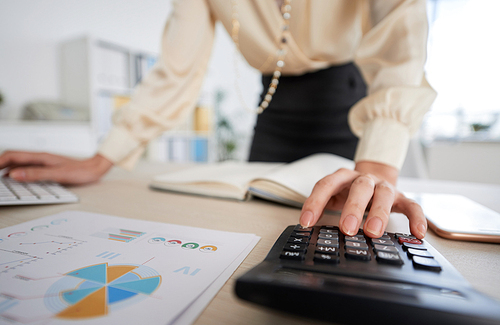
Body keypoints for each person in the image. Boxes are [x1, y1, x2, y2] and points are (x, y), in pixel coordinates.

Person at [0, 0, 436, 240]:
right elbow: (177, 69)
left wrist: (378, 165)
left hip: (354, 103)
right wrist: (102, 158)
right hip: (273, 108)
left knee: (351, 230)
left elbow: (401, 36)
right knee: (262, 228)